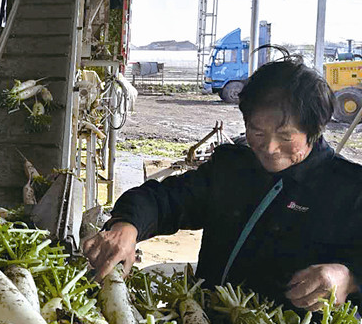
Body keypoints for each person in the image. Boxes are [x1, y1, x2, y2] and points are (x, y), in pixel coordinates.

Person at [82, 58, 362, 311]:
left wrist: (348, 278)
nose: (270, 148)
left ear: (313, 132)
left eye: (286, 136)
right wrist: (127, 225)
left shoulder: (348, 189)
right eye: (257, 131)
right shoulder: (233, 168)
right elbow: (164, 199)